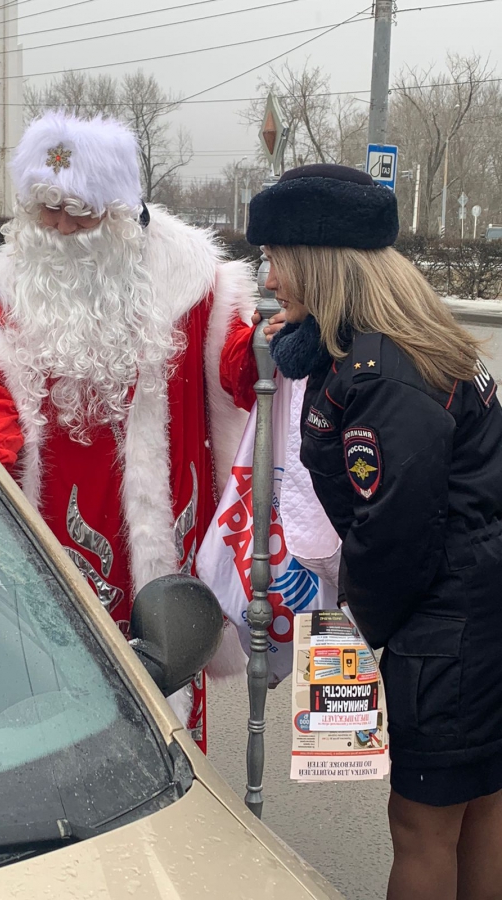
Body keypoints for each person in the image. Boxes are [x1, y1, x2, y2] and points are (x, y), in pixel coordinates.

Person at [0, 112, 255, 751]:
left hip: (164, 524)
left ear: (116, 211)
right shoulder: (5, 289)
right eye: (44, 209)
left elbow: (236, 368)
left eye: (76, 212)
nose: (57, 228)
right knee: (62, 697)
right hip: (54, 526)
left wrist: (280, 350)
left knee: (168, 682)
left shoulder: (191, 280)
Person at [230, 162, 502, 899]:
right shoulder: (401, 343)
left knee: (421, 829)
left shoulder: (377, 373)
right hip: (476, 610)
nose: (268, 275)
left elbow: (394, 534)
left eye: (274, 257)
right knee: (477, 809)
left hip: (446, 628)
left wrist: (353, 629)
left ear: (318, 260)